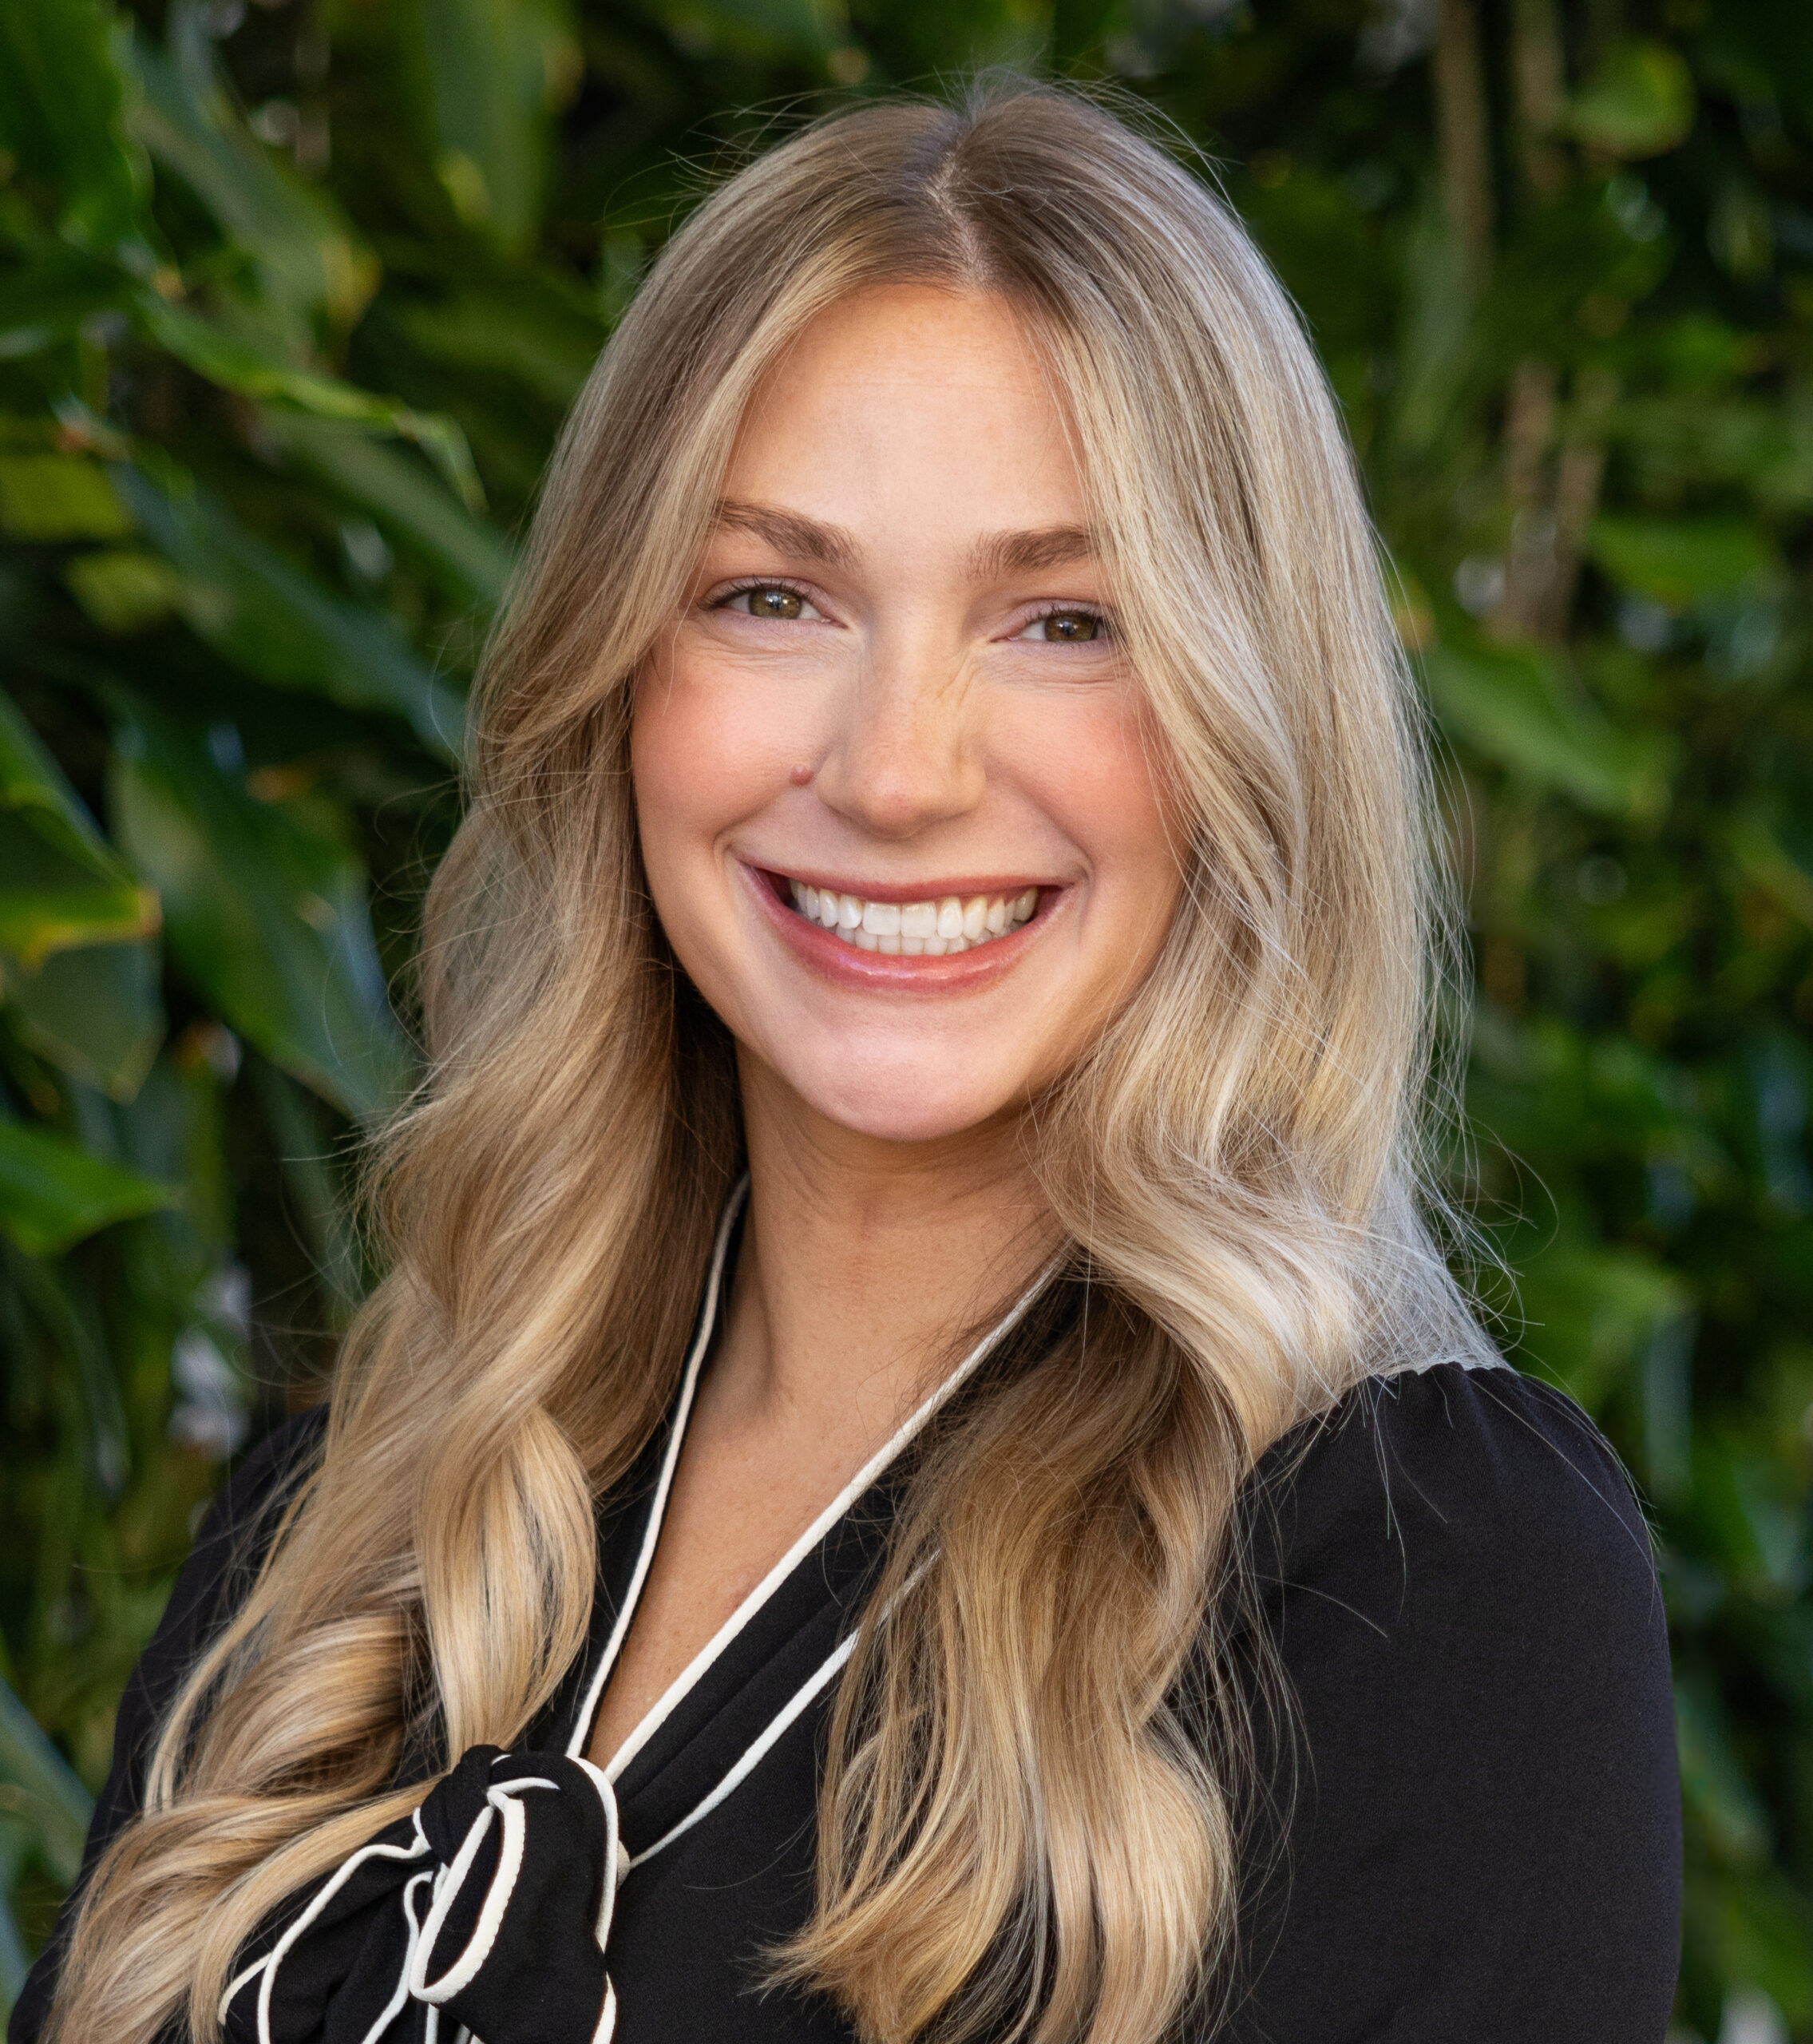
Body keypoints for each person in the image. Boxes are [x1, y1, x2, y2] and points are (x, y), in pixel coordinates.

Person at [13, 79, 1679, 2044]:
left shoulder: (1417, 1578)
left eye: (1063, 620)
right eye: (770, 597)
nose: (896, 770)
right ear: (615, 678)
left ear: (1249, 720)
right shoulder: (352, 1531)